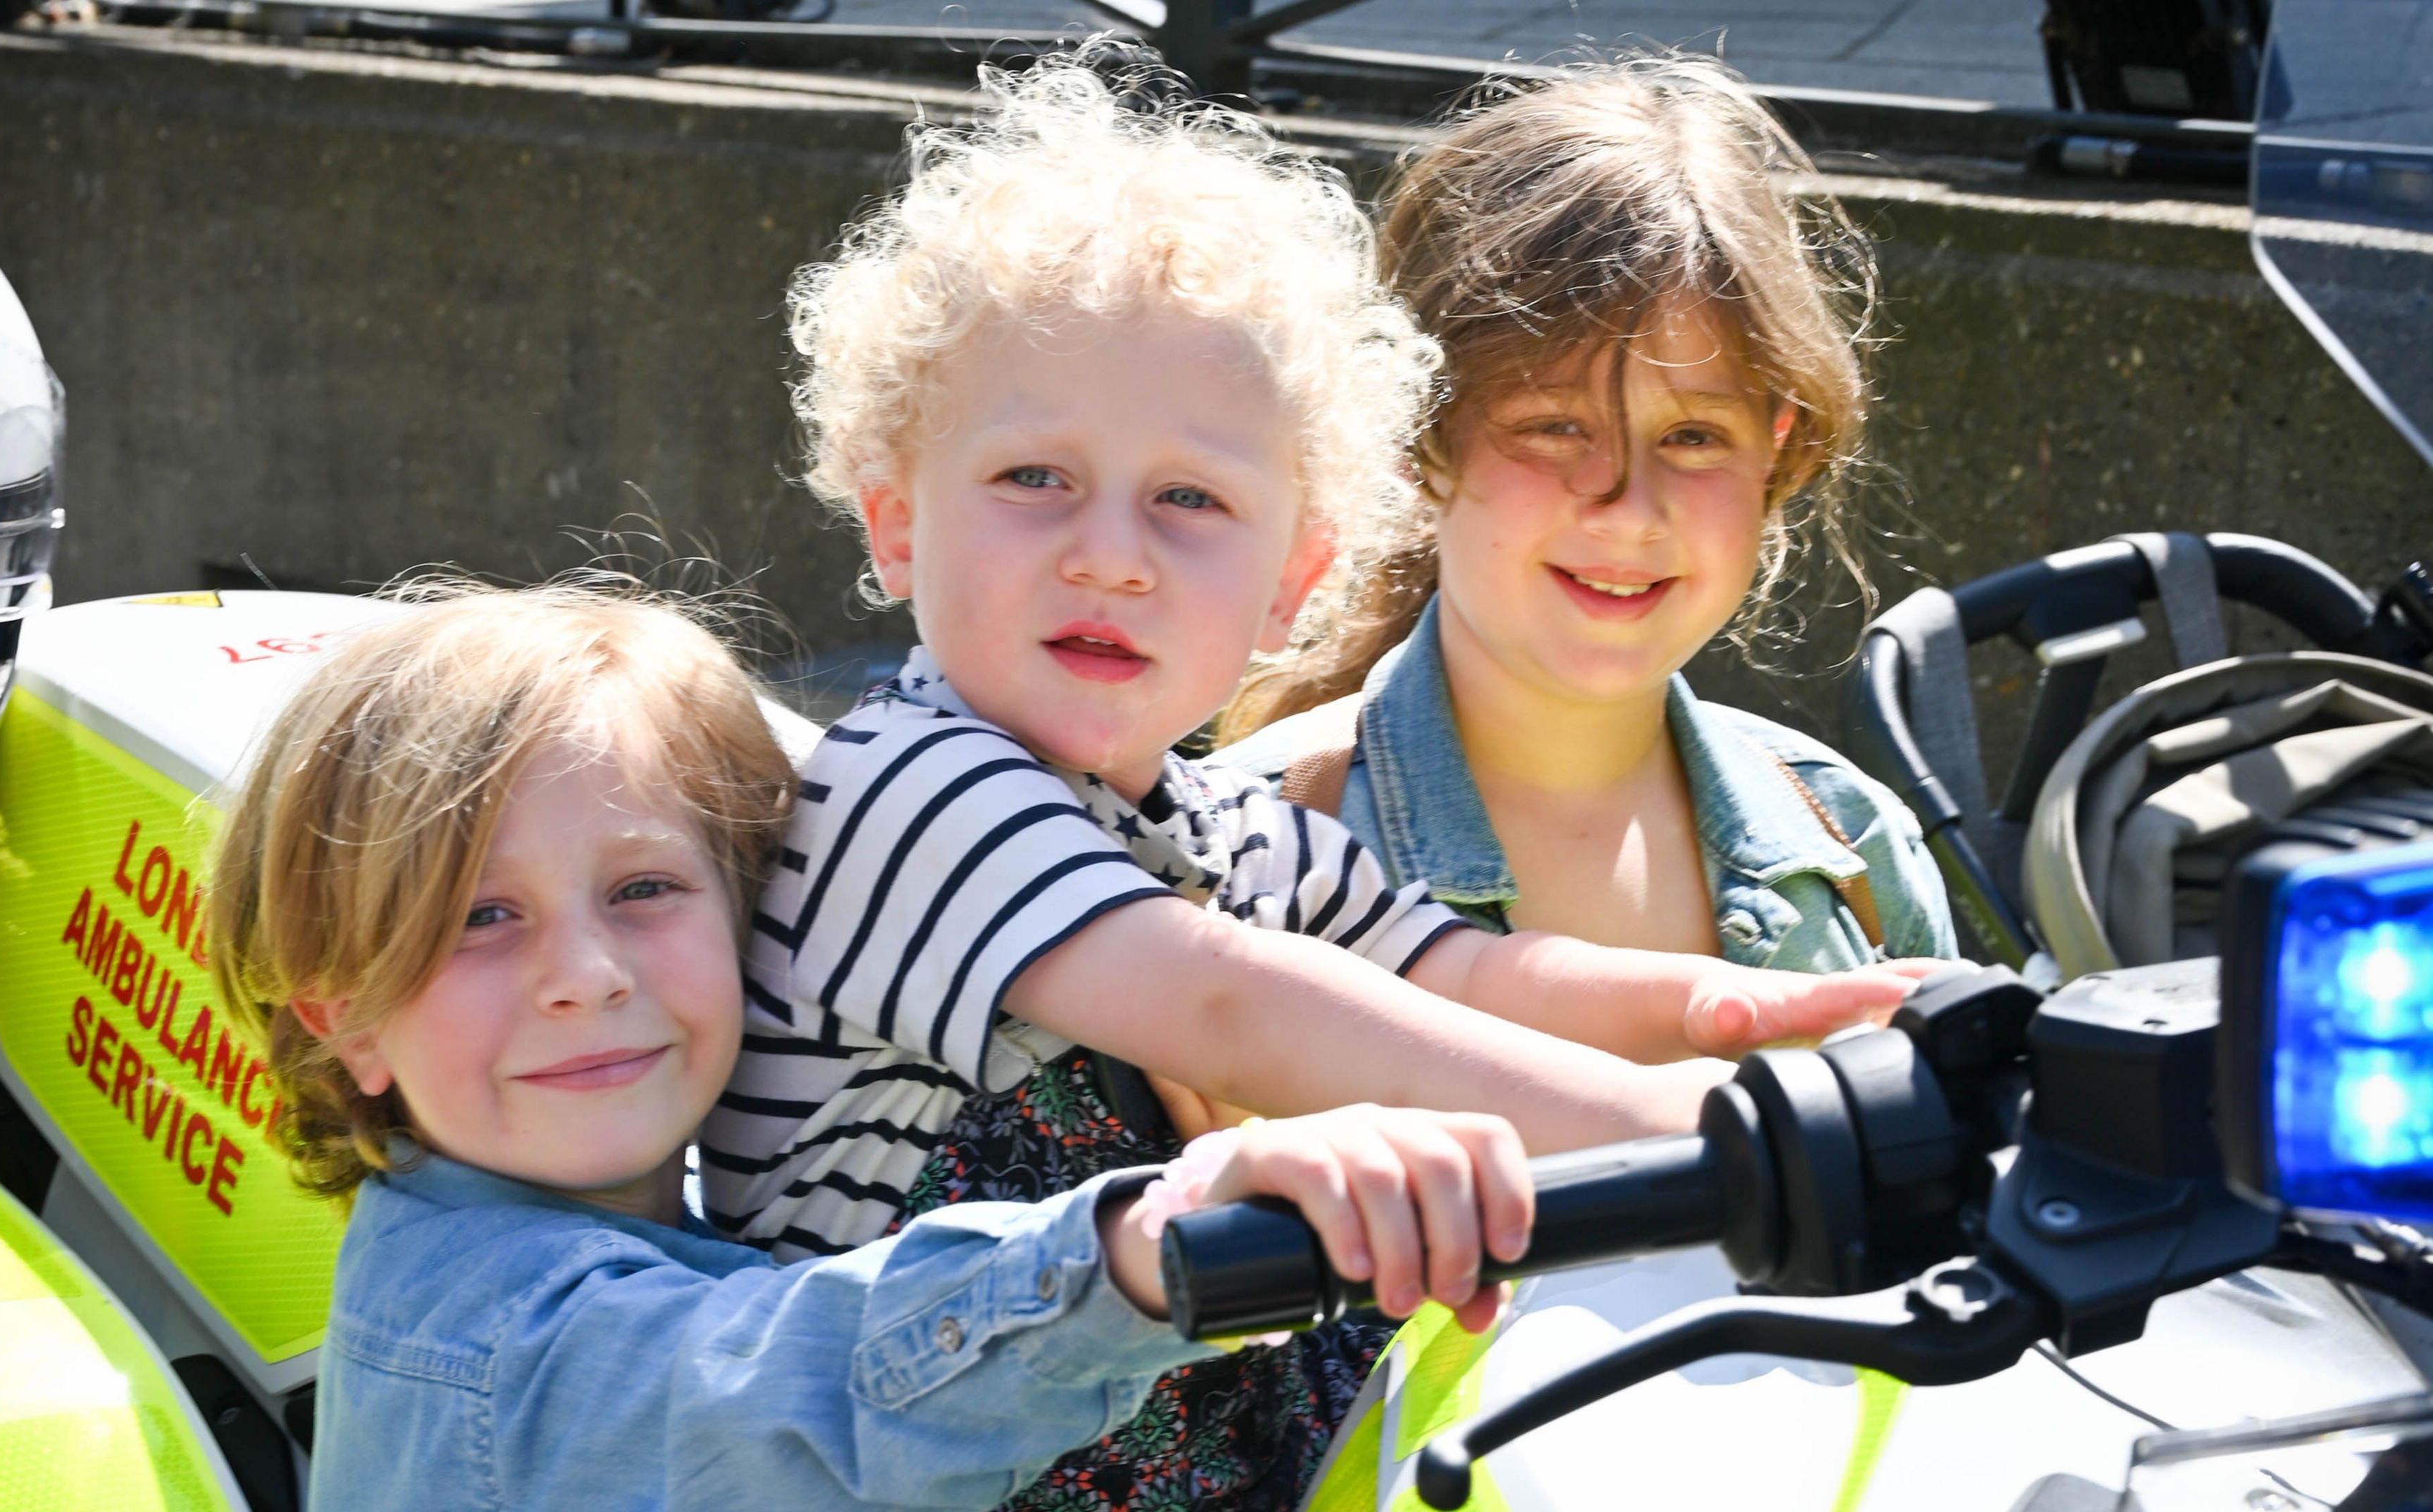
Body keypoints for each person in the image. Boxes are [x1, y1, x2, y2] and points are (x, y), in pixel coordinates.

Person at [699, 50, 1925, 1511]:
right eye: (1034, 479)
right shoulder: (911, 788)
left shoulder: (1219, 823)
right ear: (895, 523)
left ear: (1295, 581)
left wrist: (1717, 1015)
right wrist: (1714, 1140)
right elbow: (1238, 1004)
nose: (1111, 552)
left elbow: (1459, 973)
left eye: (1191, 500)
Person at [204, 579, 1538, 1512]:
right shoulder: (491, 1348)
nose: (585, 978)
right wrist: (1154, 1243)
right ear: (344, 1016)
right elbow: (785, 1394)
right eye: (480, 919)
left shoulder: (634, 1197)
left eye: (645, 891)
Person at [1215, 57, 1956, 976]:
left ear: (1777, 443)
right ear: (1412, 437)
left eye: (1693, 435)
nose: (1629, 509)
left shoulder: (1857, 846)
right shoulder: (1232, 864)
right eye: (1555, 428)